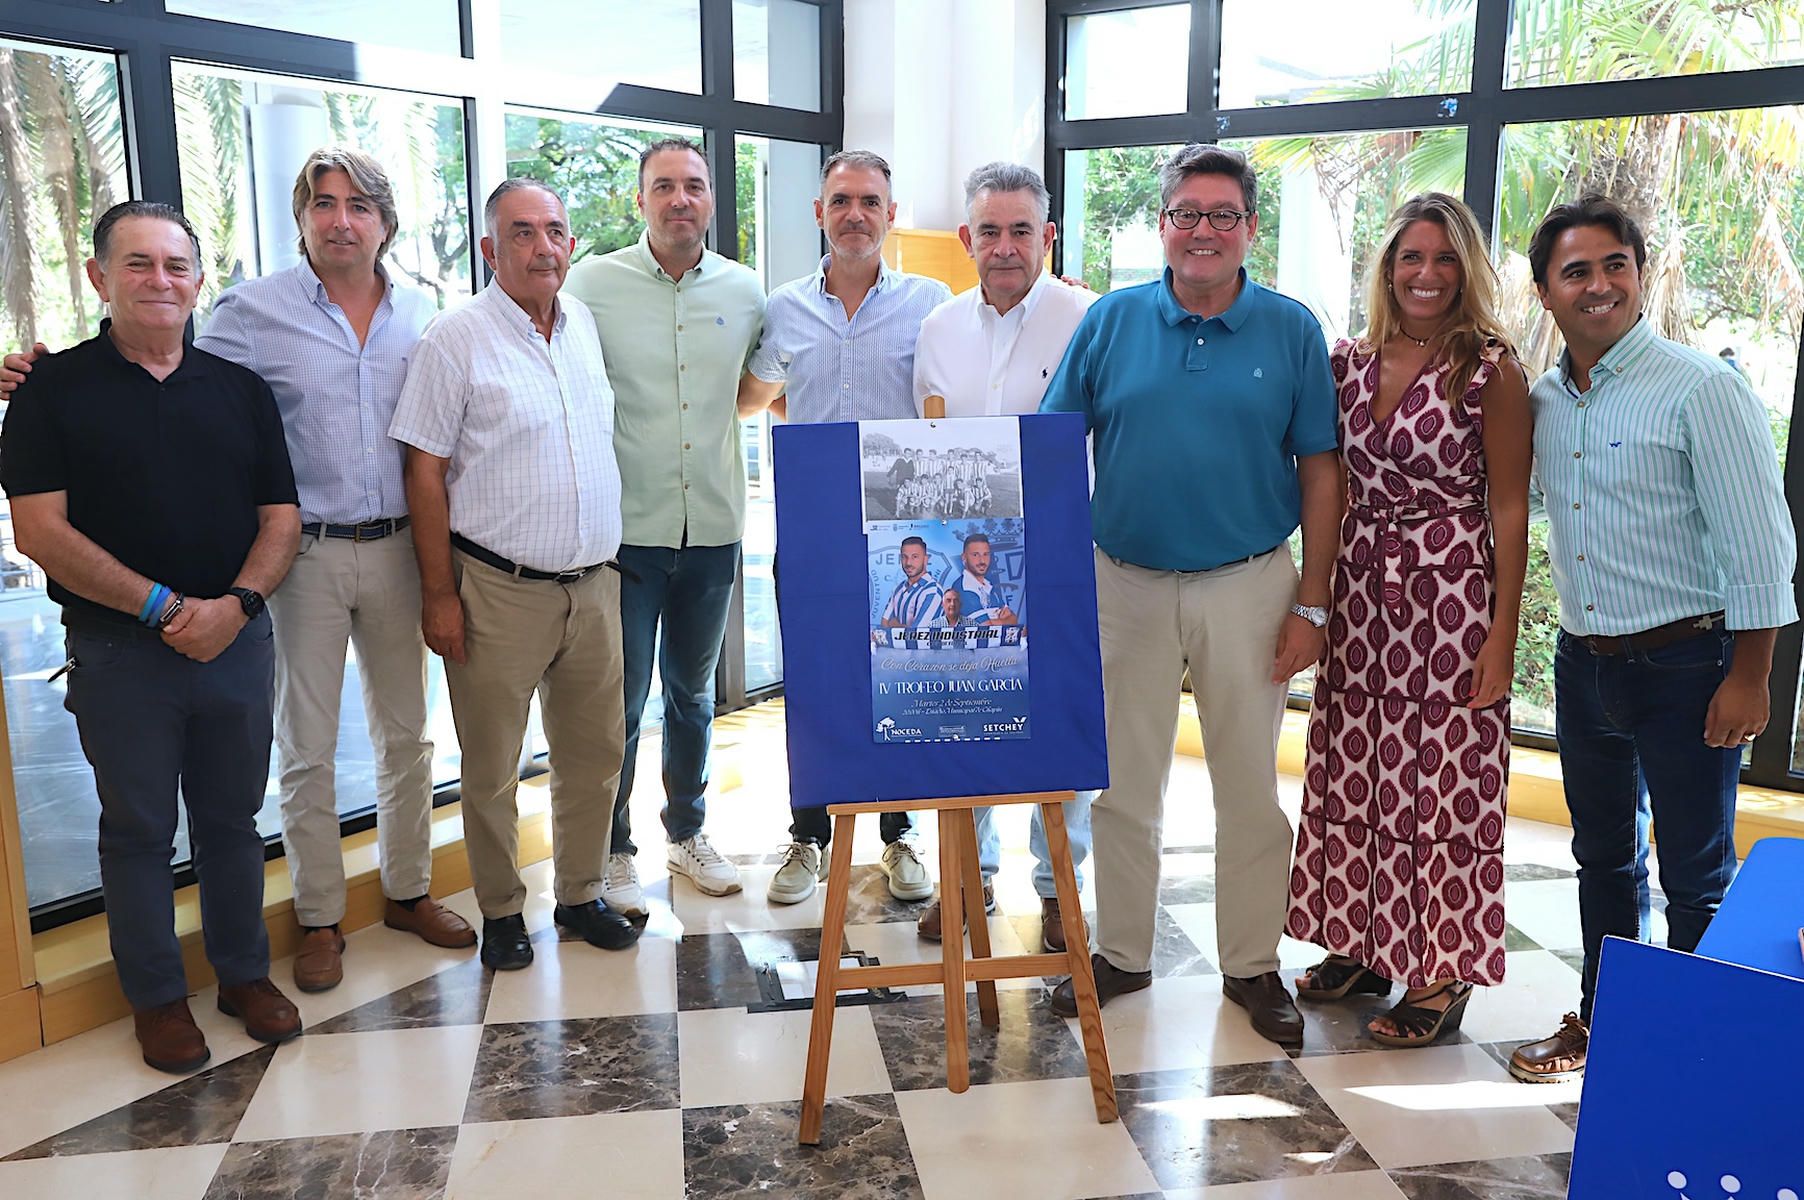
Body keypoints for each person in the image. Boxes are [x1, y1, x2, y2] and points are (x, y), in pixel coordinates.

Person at [0, 150, 477, 993]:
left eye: (359, 205)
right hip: (306, 554)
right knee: (306, 746)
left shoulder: (428, 317)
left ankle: (406, 890)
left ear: (385, 222)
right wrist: (43, 377)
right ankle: (321, 916)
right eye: (322, 203)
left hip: (402, 547)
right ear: (300, 219)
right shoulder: (250, 314)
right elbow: (158, 363)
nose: (341, 219)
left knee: (409, 736)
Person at [1040, 144, 1340, 1047]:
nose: (1203, 231)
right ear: (1162, 224)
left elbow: (1322, 473)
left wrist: (1312, 605)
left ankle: (1251, 964)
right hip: (1120, 585)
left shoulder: (1291, 331)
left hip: (1249, 587)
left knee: (1250, 788)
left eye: (1223, 216)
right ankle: (1122, 952)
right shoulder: (1110, 322)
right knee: (1124, 786)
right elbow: (1053, 451)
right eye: (1186, 214)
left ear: (1250, 230)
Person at [0, 201, 304, 1071]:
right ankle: (159, 1000)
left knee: (234, 822)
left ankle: (244, 975)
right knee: (137, 830)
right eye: (138, 264)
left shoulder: (239, 390)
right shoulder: (50, 391)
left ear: (198, 279)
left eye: (176, 265)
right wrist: (165, 610)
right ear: (100, 278)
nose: (159, 280)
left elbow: (280, 517)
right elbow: (40, 531)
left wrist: (236, 607)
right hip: (122, 653)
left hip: (237, 642)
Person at [1508, 194, 1797, 1083]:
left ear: (1640, 274)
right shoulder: (1543, 400)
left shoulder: (1701, 387)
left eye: (1614, 266)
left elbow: (1762, 548)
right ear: (1546, 292)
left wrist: (1750, 678)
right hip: (1584, 661)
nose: (1599, 286)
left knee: (1696, 871)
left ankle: (1694, 1047)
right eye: (1576, 272)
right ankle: (1605, 1018)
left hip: (1688, 664)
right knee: (1600, 856)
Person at [1284, 193, 1532, 1046]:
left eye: (1446, 259)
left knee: (1444, 785)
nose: (1427, 275)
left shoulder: (1489, 369)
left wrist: (1502, 633)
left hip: (1452, 600)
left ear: (1468, 271)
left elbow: (1508, 507)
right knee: (1359, 774)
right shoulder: (1345, 363)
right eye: (1411, 258)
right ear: (1387, 268)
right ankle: (1362, 944)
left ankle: (1442, 971)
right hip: (1362, 598)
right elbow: (1333, 485)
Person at [389, 179, 639, 971]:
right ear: (492, 250)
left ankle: (580, 893)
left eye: (555, 231)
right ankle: (501, 909)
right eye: (522, 233)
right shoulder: (454, 338)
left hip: (595, 587)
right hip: (496, 589)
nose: (543, 247)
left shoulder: (583, 327)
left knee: (596, 752)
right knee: (494, 765)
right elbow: (422, 472)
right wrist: (439, 595)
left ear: (571, 244)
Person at [737, 149, 951, 906]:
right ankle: (809, 835)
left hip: (905, 540)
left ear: (891, 214)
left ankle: (898, 835)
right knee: (818, 687)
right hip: (814, 535)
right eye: (840, 201)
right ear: (819, 213)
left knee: (899, 681)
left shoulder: (933, 303)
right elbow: (754, 396)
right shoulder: (784, 307)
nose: (855, 214)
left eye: (869, 201)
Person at [563, 137, 767, 914]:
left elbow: (759, 388)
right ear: (639, 199)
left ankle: (686, 833)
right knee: (621, 699)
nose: (681, 199)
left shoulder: (746, 292)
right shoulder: (592, 285)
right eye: (664, 187)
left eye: (695, 186)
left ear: (711, 198)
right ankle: (614, 849)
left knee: (693, 697)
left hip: (713, 528)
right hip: (626, 536)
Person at [910, 161, 1099, 952]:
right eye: (990, 231)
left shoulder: (1092, 319)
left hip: (1063, 563)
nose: (1006, 246)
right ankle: (969, 877)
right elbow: (923, 441)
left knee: (1062, 725)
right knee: (966, 720)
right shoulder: (938, 329)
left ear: (1047, 236)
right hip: (964, 564)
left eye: (1022, 230)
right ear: (966, 239)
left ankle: (1059, 886)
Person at [949, 533, 1016, 626]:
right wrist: (1003, 621)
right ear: (964, 557)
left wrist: (997, 622)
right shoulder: (963, 588)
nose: (982, 561)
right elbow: (984, 628)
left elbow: (1014, 619)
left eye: (986, 554)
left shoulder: (988, 585)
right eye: (975, 555)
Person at [881, 536, 946, 629]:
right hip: (893, 644)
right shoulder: (899, 588)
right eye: (904, 557)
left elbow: (917, 635)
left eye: (915, 557)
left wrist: (894, 625)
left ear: (926, 559)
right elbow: (884, 623)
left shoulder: (933, 591)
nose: (908, 563)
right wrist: (904, 628)